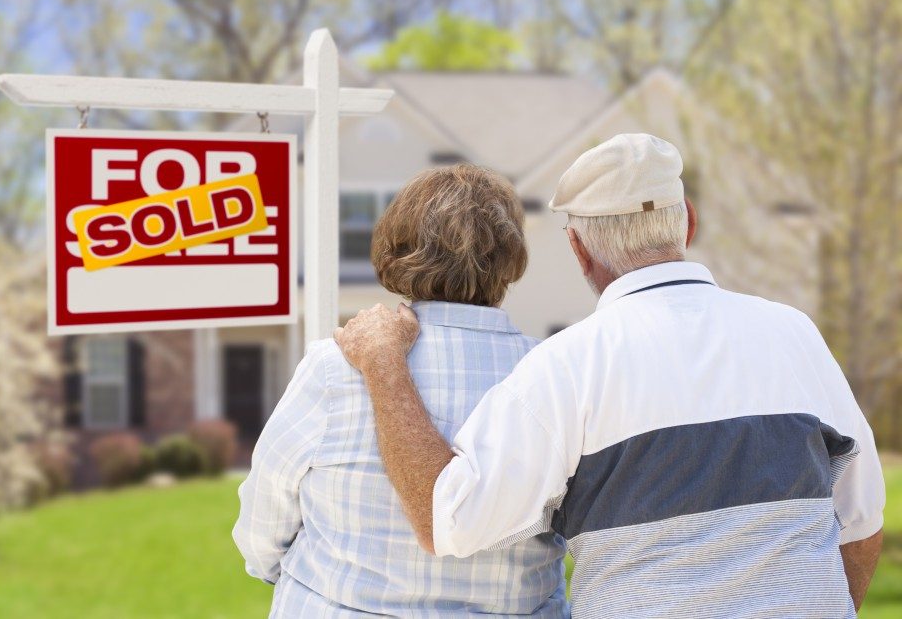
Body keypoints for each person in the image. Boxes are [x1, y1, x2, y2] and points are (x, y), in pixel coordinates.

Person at [334, 134, 886, 619]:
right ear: (687, 221)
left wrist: (384, 364)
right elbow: (860, 526)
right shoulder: (793, 334)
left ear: (578, 249)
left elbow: (447, 520)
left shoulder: (568, 366)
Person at [233, 165, 569, 617]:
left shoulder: (336, 366)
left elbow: (266, 512)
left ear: (396, 249)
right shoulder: (553, 375)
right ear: (510, 260)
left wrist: (283, 575)